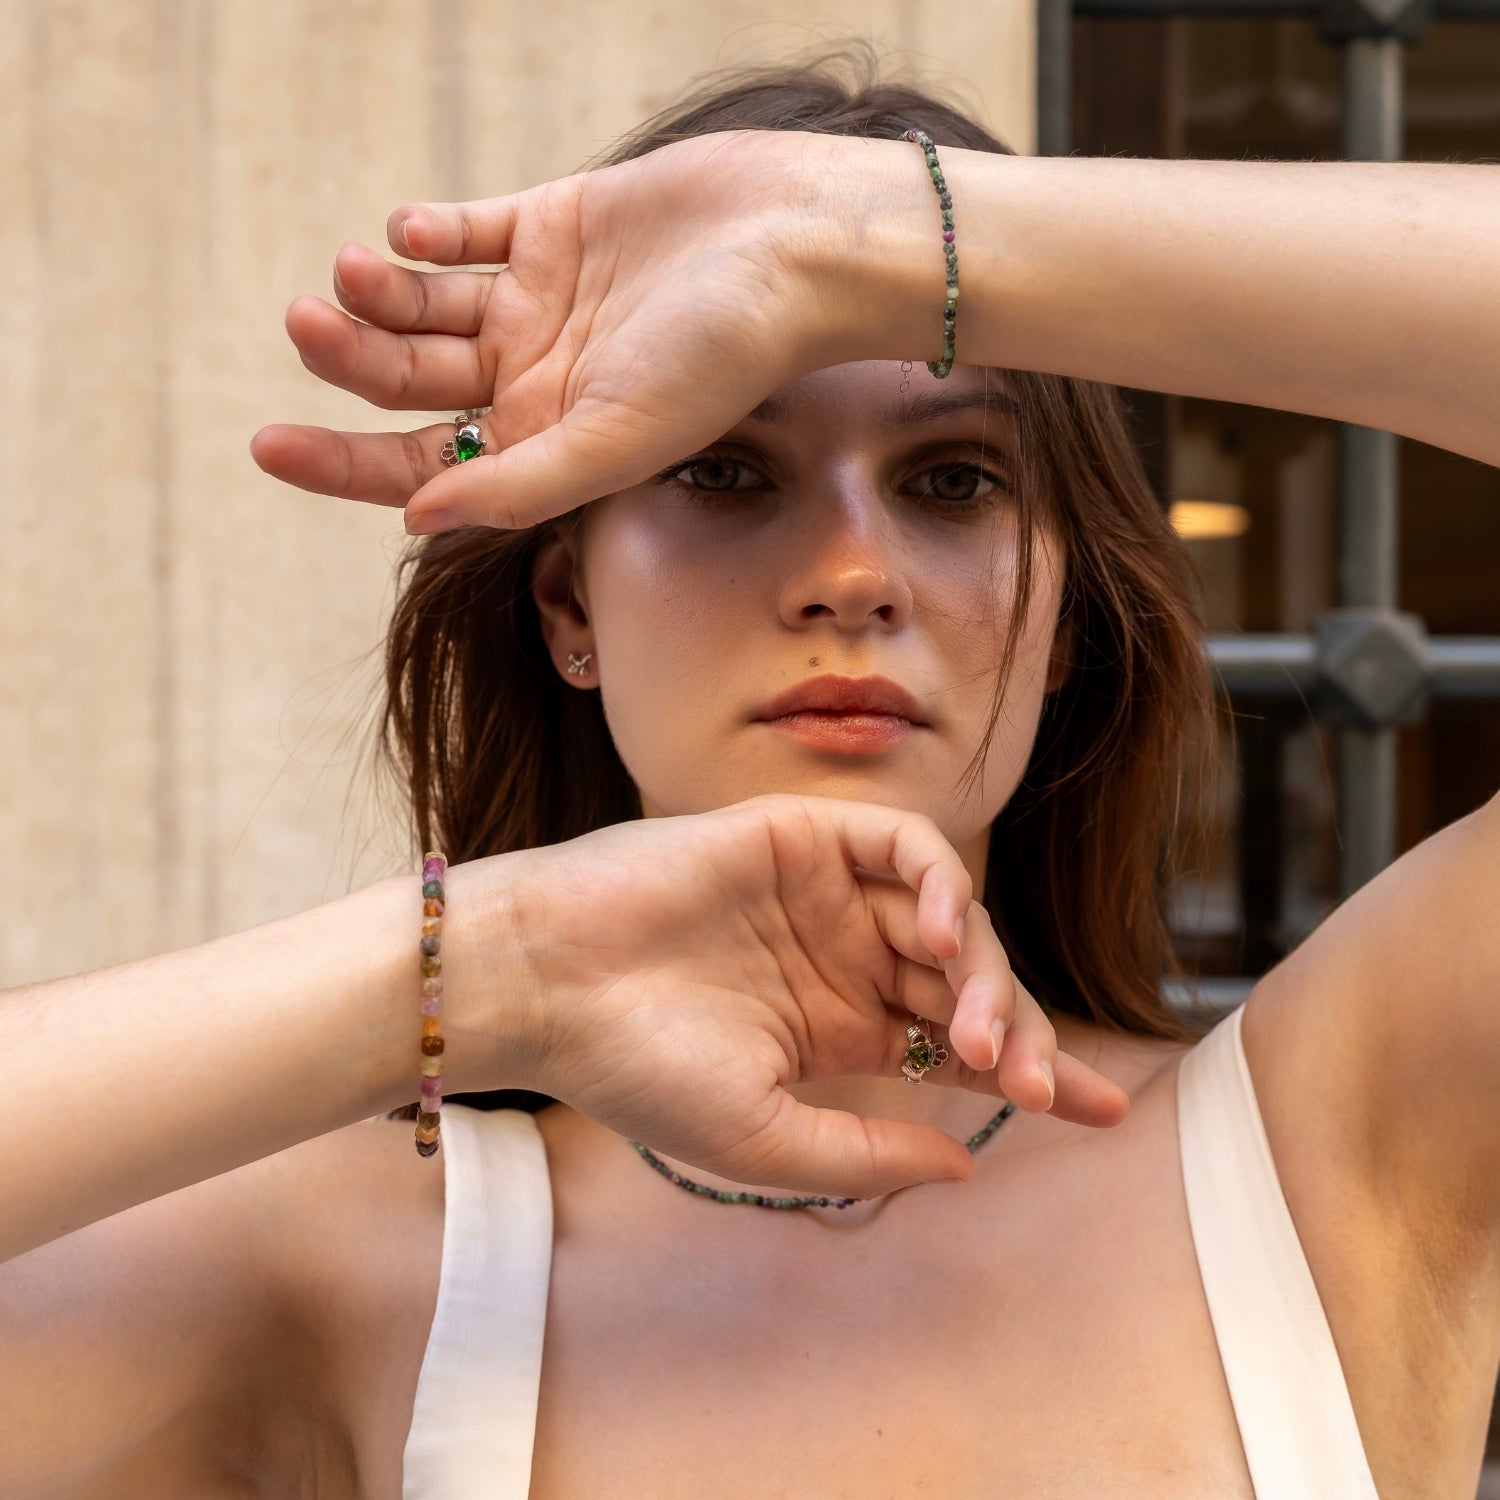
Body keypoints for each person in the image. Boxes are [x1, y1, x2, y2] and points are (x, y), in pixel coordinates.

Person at [4, 42, 1497, 1500]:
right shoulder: (355, 1263)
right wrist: (493, 965)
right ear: (572, 609)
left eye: (954, 479)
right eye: (724, 471)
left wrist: (860, 237)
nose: (852, 572)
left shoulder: (1335, 1156)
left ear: (1062, 626)